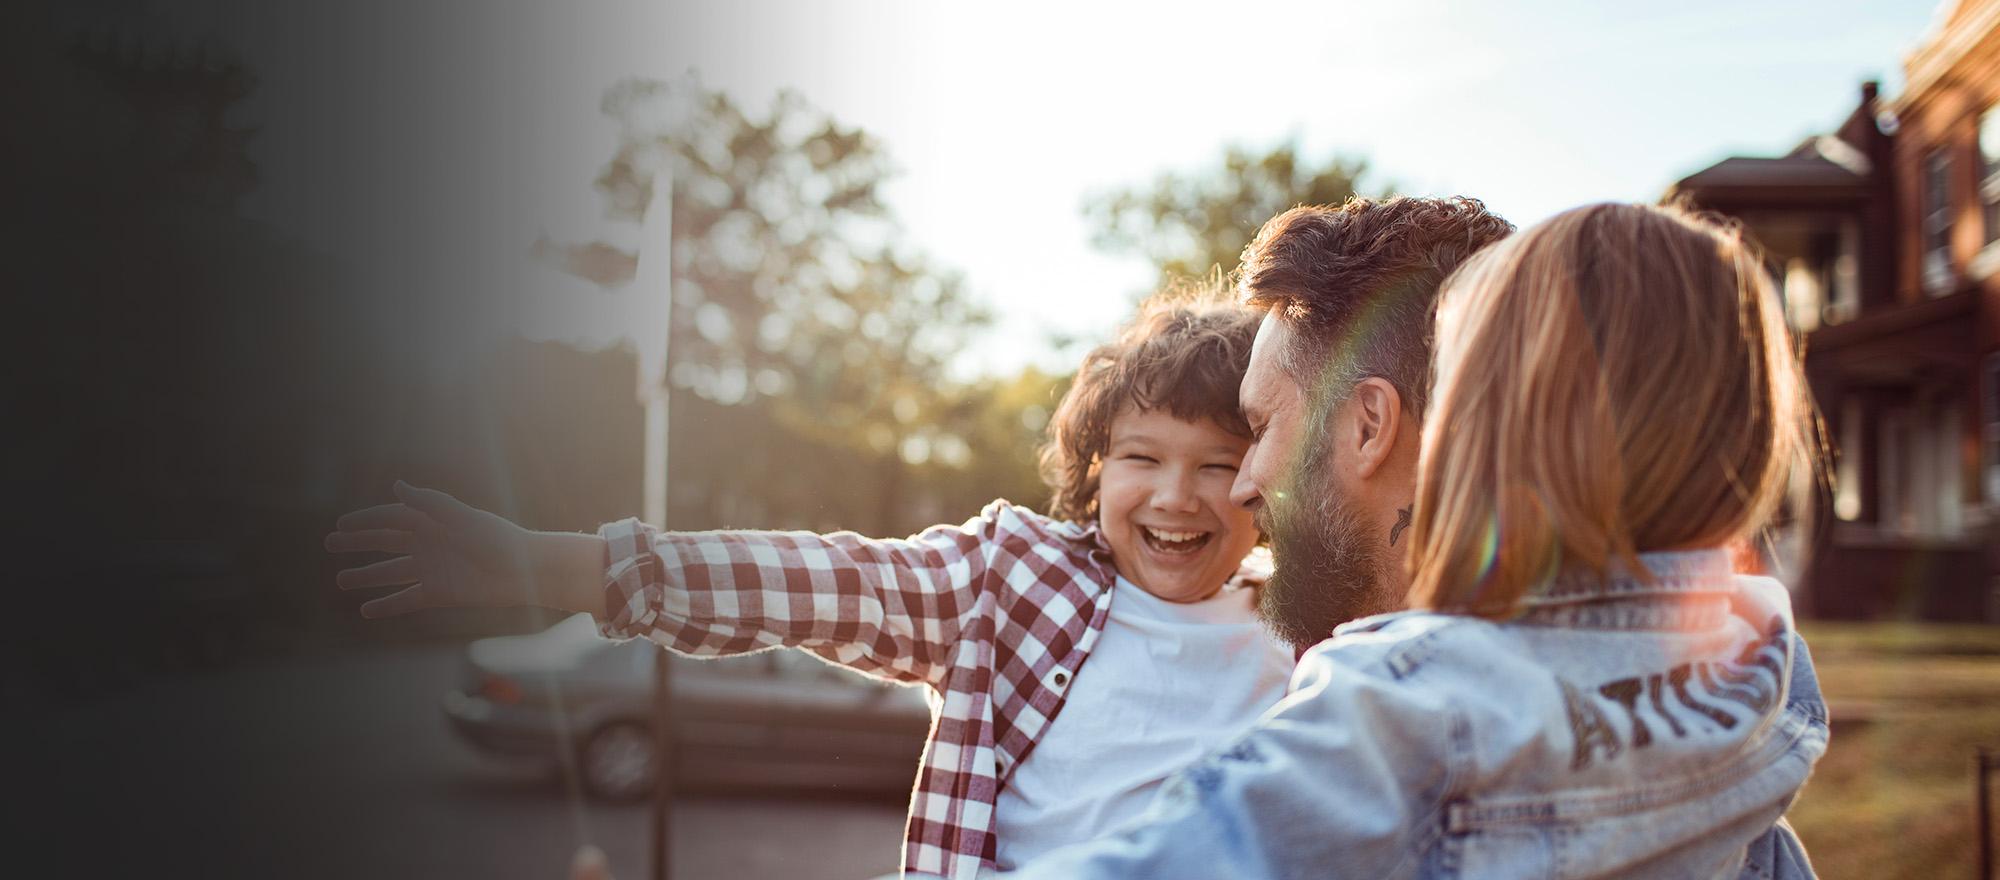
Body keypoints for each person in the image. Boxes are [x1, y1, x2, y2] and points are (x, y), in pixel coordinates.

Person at [326, 290, 1296, 880]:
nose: (1175, 495)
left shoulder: (1318, 637)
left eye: (1216, 464)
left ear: (1267, 477)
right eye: (1141, 456)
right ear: (1095, 469)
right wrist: (540, 562)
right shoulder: (1016, 582)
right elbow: (814, 580)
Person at [988, 201, 1827, 878]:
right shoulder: (1756, 665)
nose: (1241, 482)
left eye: (1256, 427)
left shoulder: (1406, 706)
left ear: (1369, 426)